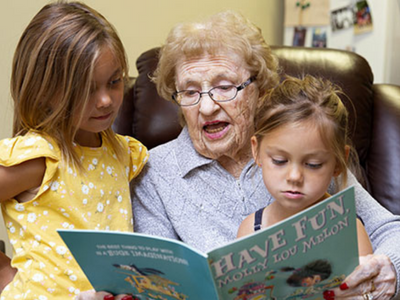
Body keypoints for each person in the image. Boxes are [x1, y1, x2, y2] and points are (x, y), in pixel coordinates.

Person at [77, 10, 399, 300]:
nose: (206, 106)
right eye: (190, 91)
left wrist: (387, 270)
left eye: (225, 86)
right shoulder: (155, 173)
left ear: (259, 88)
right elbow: (156, 279)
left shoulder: (303, 151)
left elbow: (389, 231)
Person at [0, 2, 148, 299]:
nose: (105, 100)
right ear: (45, 90)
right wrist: (3, 270)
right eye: (86, 89)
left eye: (115, 82)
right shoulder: (40, 156)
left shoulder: (124, 154)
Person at [236, 75, 373, 259]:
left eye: (312, 165)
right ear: (257, 151)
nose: (294, 176)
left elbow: (367, 286)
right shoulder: (250, 229)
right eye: (279, 160)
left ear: (338, 163)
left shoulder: (350, 230)